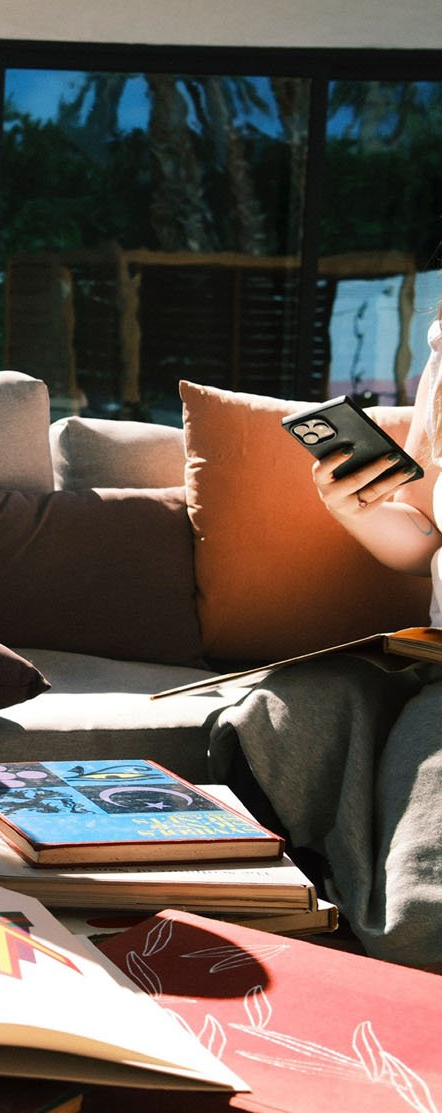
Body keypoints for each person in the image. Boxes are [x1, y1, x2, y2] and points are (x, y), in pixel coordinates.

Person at [208, 302, 442, 969]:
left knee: (415, 918)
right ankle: (306, 938)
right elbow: (424, 538)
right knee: (272, 720)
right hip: (432, 657)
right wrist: (356, 508)